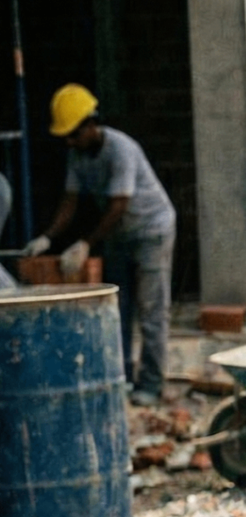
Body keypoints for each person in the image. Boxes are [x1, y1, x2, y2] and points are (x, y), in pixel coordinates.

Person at [25, 84, 175, 406]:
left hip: (151, 229)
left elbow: (118, 204)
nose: (69, 141)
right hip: (120, 233)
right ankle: (119, 377)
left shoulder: (121, 150)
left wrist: (84, 244)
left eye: (73, 134)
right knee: (115, 309)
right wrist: (48, 237)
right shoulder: (77, 155)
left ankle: (151, 383)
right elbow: (70, 201)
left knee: (151, 310)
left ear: (91, 125)